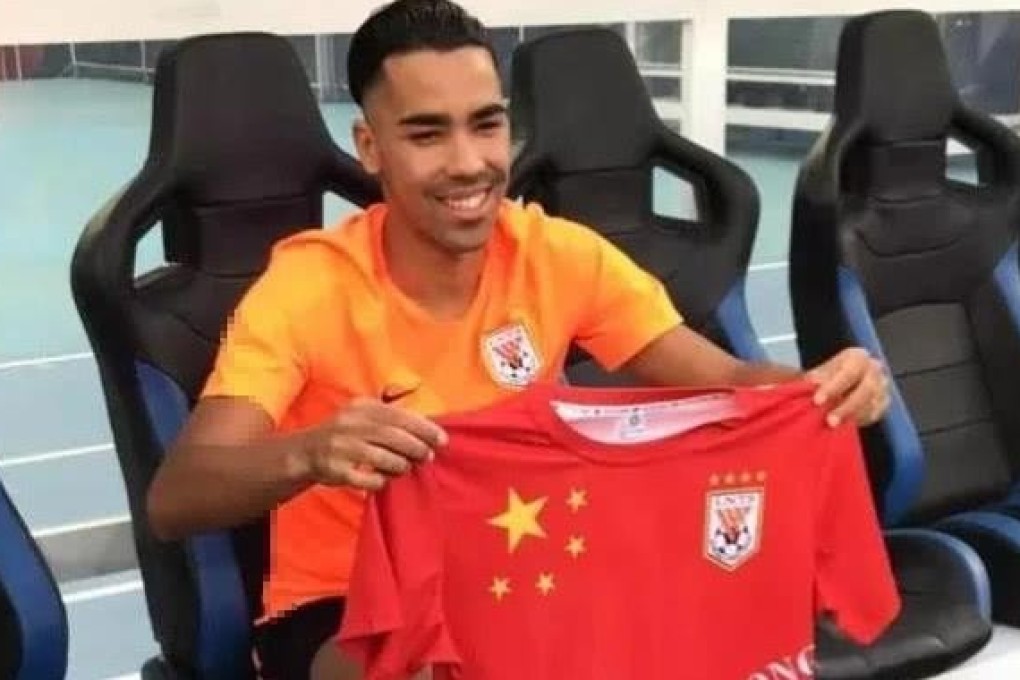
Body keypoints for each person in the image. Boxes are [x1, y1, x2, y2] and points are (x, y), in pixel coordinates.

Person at [146, 1, 891, 679]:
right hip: (347, 606)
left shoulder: (557, 255)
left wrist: (819, 388)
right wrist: (311, 451)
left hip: (529, 569)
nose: (468, 162)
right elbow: (177, 497)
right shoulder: (308, 287)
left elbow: (723, 382)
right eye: (426, 133)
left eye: (486, 123)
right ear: (370, 147)